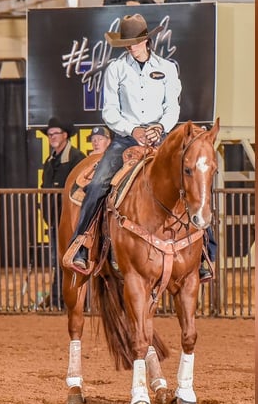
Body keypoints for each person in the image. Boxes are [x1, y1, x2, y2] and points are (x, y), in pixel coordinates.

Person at [67, 14, 216, 281]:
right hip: (126, 138)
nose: (130, 46)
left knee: (192, 180)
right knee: (99, 182)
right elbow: (109, 110)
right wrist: (131, 129)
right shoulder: (116, 69)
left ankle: (205, 252)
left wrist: (159, 127)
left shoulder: (168, 68)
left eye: (134, 42)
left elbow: (173, 106)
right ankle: (82, 242)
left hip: (161, 137)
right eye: (127, 42)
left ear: (146, 40)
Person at [41, 116, 86, 307]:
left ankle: (70, 299)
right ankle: (59, 298)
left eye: (55, 133)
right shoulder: (50, 160)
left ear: (65, 135)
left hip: (72, 221)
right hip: (54, 220)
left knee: (71, 261)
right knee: (58, 260)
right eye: (49, 134)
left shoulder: (77, 158)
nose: (51, 137)